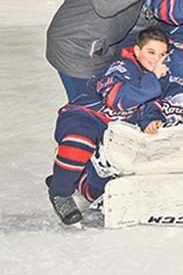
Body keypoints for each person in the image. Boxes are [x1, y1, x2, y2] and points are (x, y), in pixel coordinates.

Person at [46, 27, 169, 225]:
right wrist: (152, 79)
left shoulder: (153, 77)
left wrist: (150, 122)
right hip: (85, 117)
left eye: (162, 54)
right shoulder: (121, 66)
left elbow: (150, 107)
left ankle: (68, 174)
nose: (156, 59)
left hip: (111, 133)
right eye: (151, 52)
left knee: (102, 191)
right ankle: (60, 192)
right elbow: (117, 98)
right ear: (137, 51)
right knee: (80, 140)